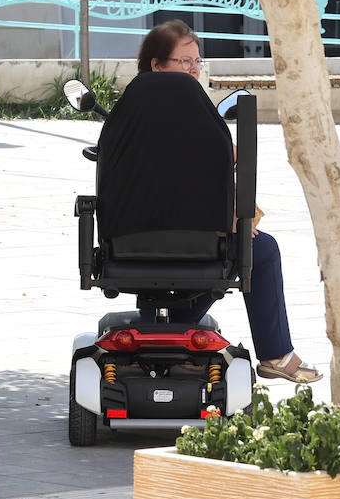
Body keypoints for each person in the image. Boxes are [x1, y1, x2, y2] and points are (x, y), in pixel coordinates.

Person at [137, 20, 322, 383]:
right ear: (157, 64)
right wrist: (239, 215)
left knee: (235, 248)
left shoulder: (129, 111)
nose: (193, 68)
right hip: (190, 233)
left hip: (130, 238)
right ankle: (274, 354)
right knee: (260, 251)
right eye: (184, 61)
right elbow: (202, 175)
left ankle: (175, 325)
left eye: (196, 61)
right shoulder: (189, 110)